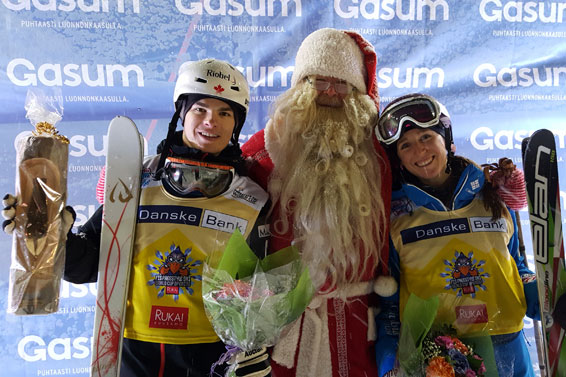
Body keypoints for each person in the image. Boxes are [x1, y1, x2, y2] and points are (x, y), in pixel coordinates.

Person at [4, 58, 272, 377]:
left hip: (209, 357)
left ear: (236, 122)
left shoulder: (252, 198)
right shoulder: (136, 177)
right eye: (200, 108)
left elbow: (261, 293)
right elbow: (89, 266)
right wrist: (51, 235)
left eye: (224, 112)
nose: (211, 121)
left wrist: (254, 350)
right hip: (135, 352)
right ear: (183, 112)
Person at [241, 28, 395, 377]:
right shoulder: (264, 151)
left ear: (357, 92)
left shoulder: (379, 159)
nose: (328, 92)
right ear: (300, 85)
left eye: (341, 84)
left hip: (358, 324)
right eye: (318, 81)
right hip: (285, 327)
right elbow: (217, 194)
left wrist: (496, 187)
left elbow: (430, 176)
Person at [374, 93, 539, 376]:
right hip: (440, 361)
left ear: (446, 139)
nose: (420, 151)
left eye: (426, 137)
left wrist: (548, 298)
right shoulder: (394, 216)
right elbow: (390, 306)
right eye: (406, 145)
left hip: (509, 349)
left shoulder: (492, 197)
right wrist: (390, 364)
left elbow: (516, 269)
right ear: (397, 157)